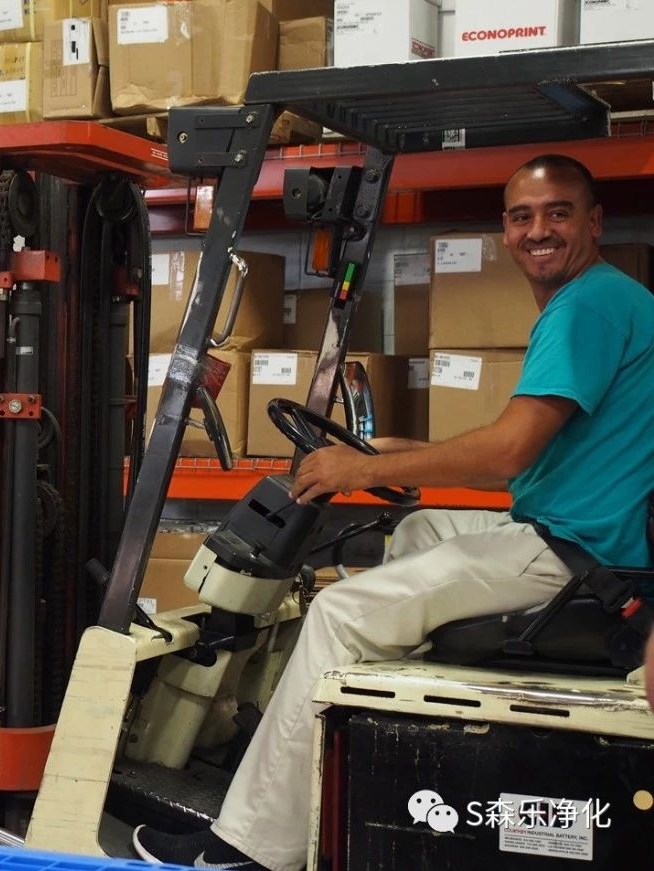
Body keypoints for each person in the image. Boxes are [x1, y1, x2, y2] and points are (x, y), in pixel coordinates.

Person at [132, 154, 654, 871]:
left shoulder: (584, 308)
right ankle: (373, 732)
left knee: (337, 612)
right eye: (522, 216)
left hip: (576, 554)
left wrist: (364, 468)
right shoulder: (610, 298)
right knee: (419, 528)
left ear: (593, 222)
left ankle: (247, 846)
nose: (538, 230)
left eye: (557, 213)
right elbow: (530, 455)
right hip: (580, 533)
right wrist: (390, 451)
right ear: (506, 229)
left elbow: (508, 450)